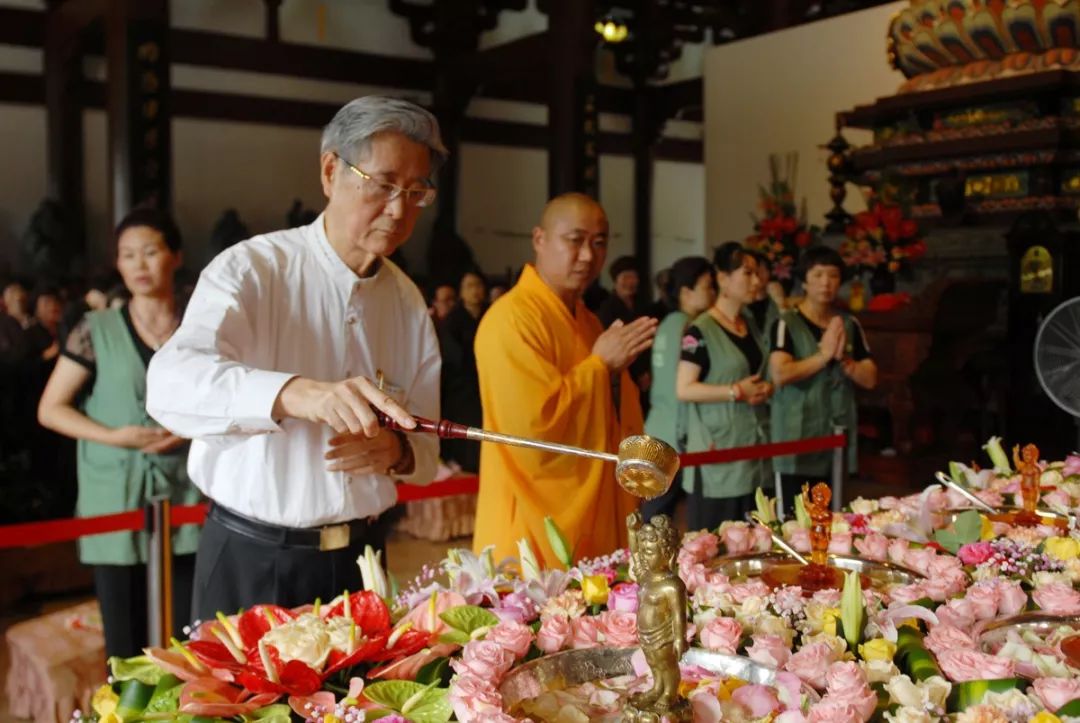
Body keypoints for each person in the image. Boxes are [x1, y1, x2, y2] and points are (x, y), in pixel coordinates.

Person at [146, 96, 444, 620]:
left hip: (361, 562)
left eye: (416, 192)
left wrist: (398, 452)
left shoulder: (406, 300)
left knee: (363, 705)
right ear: (331, 171)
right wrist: (295, 393)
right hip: (254, 558)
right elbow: (170, 384)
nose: (399, 209)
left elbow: (425, 440)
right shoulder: (254, 270)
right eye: (383, 185)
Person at [36, 208, 201, 659]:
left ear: (175, 256)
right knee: (124, 642)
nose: (139, 265)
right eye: (128, 256)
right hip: (116, 497)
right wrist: (116, 437)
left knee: (192, 634)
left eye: (150, 252)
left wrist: (191, 429)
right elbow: (51, 409)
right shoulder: (95, 330)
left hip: (189, 494)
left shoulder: (201, 326)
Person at [473, 193, 658, 566]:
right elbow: (531, 430)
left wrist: (617, 378)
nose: (588, 256)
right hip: (529, 525)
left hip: (597, 519)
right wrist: (600, 367)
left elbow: (615, 421)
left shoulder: (588, 321)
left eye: (599, 242)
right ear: (539, 239)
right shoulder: (510, 320)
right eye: (574, 240)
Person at [768, 246, 877, 513]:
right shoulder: (786, 323)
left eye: (833, 276)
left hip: (836, 435)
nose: (826, 283)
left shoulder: (848, 323)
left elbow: (871, 378)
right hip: (797, 437)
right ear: (804, 280)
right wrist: (824, 355)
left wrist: (846, 362)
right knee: (794, 521)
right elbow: (780, 373)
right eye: (817, 275)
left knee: (834, 517)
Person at [677, 243, 773, 529]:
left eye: (757, 274)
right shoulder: (700, 330)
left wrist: (765, 388)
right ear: (722, 278)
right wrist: (734, 391)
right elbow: (684, 388)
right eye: (747, 273)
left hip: (753, 446)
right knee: (716, 542)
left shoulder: (751, 323)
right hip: (717, 453)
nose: (756, 281)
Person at [641, 256, 716, 519]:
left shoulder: (668, 322)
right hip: (676, 431)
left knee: (656, 508)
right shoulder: (691, 327)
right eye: (708, 286)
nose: (714, 293)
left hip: (657, 425)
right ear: (686, 291)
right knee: (659, 512)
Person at [438, 269, 487, 472]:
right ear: (461, 293)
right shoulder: (453, 320)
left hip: (487, 382)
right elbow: (452, 356)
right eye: (469, 286)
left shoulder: (492, 314)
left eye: (478, 285)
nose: (474, 290)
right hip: (462, 385)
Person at [745, 249, 780, 340]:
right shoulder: (742, 305)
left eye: (762, 271)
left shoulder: (776, 302)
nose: (758, 276)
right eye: (754, 272)